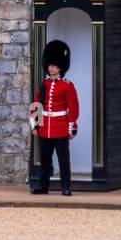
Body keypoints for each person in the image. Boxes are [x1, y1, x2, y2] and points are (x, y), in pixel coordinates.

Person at [30, 40, 79, 196]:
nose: (51, 67)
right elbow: (38, 103)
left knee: (63, 160)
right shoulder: (44, 83)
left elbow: (73, 107)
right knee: (45, 160)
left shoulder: (67, 86)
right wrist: (35, 124)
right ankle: (43, 186)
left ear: (60, 66)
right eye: (49, 64)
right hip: (45, 128)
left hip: (60, 127)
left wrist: (71, 126)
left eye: (54, 64)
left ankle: (66, 187)